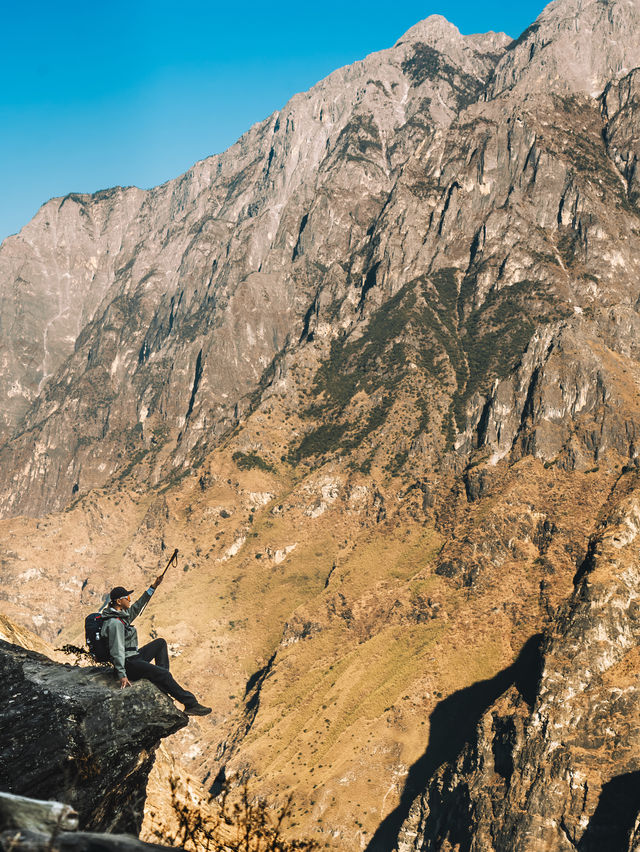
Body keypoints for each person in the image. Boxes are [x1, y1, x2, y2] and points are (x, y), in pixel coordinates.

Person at [101, 572, 211, 716]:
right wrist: (122, 675)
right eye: (127, 597)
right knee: (163, 674)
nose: (130, 599)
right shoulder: (115, 623)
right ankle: (191, 704)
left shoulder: (121, 617)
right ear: (118, 601)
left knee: (160, 643)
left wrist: (153, 586)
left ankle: (161, 682)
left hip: (133, 657)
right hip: (128, 663)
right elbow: (117, 651)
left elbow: (139, 605)